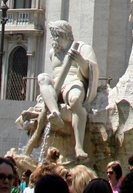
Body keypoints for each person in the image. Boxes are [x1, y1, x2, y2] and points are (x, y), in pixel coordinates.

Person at [37, 21, 99, 161]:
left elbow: (91, 73)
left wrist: (81, 61)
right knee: (42, 77)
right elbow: (54, 73)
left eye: (56, 36)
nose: (54, 40)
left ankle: (78, 146)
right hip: (56, 84)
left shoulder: (83, 48)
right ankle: (55, 112)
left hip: (74, 82)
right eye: (53, 37)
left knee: (75, 100)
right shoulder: (53, 52)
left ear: (66, 36)